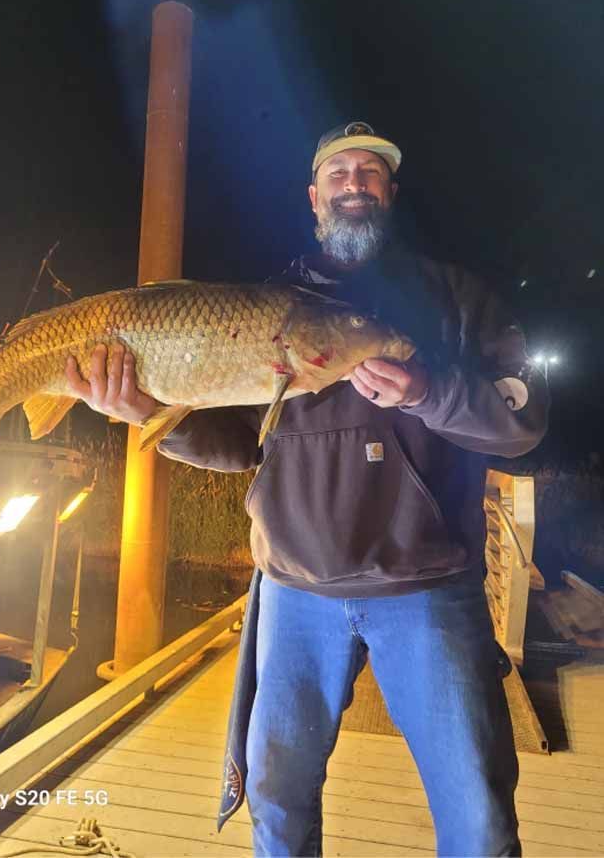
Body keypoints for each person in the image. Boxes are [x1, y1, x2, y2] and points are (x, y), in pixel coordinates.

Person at [66, 122, 548, 857]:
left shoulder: (456, 299)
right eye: (339, 173)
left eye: (371, 172)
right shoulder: (265, 306)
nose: (355, 183)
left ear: (389, 192)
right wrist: (149, 416)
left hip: (426, 591)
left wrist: (425, 390)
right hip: (293, 592)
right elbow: (237, 446)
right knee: (278, 801)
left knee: (479, 816)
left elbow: (523, 424)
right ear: (315, 198)